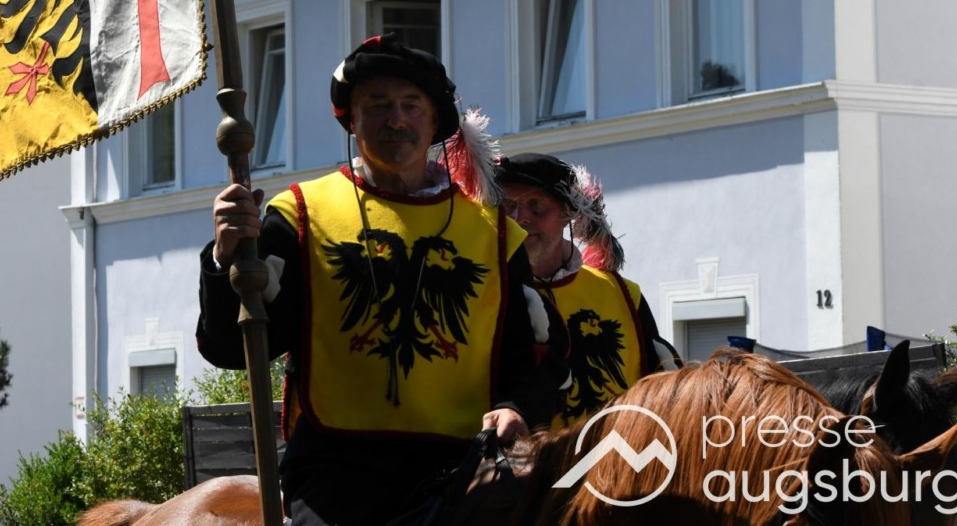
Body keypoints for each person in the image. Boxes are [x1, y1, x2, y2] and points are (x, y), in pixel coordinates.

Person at [197, 34, 558, 526]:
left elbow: (535, 357)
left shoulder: (495, 234)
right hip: (337, 478)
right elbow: (233, 348)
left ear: (434, 123)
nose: (396, 119)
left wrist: (516, 407)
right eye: (378, 105)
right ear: (352, 120)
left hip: (462, 472)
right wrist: (226, 258)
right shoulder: (298, 216)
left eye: (411, 105)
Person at [494, 152, 671, 428]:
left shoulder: (623, 294)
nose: (519, 218)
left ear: (568, 214)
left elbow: (662, 388)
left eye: (536, 205)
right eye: (508, 205)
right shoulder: (491, 293)